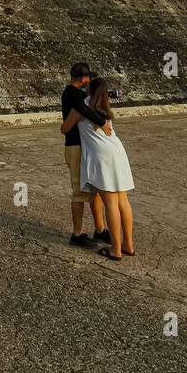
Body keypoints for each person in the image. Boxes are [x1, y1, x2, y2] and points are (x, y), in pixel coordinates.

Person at [61, 77, 135, 261]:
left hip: (102, 157)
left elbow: (64, 128)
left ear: (89, 91)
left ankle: (116, 250)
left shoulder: (83, 105)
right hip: (118, 152)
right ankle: (128, 245)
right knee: (123, 201)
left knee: (110, 203)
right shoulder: (105, 108)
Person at [60, 62, 110, 247]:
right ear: (84, 78)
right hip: (76, 147)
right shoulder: (72, 94)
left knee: (93, 191)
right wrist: (102, 121)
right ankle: (77, 234)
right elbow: (84, 110)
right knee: (80, 192)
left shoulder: (77, 95)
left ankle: (100, 229)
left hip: (86, 147)